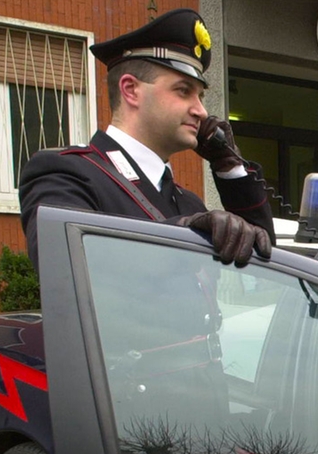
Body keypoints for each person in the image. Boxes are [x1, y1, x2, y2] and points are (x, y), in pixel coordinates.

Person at [18, 8, 276, 270]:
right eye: (183, 91)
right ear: (131, 90)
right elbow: (69, 264)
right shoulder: (67, 173)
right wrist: (181, 232)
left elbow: (264, 262)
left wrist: (230, 170)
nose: (201, 111)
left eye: (201, 96)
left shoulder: (188, 203)